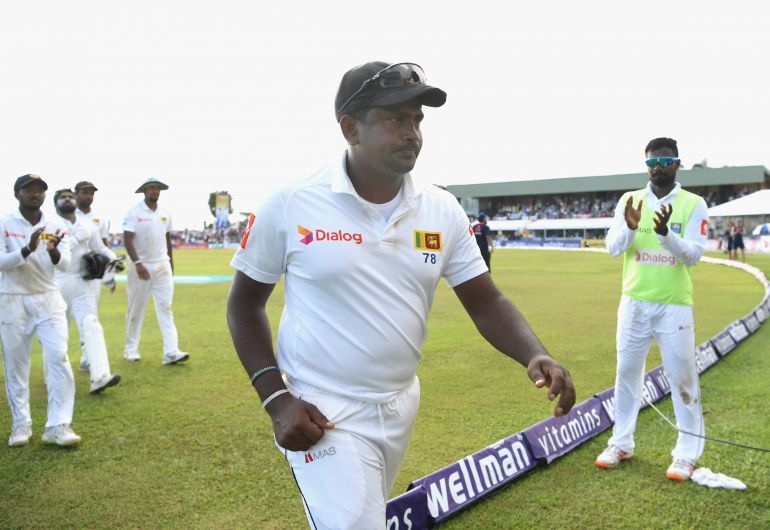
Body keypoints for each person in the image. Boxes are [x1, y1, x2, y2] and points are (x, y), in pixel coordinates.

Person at [227, 61, 576, 529]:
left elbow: (485, 300)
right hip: (323, 407)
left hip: (400, 402)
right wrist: (276, 398)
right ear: (350, 128)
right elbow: (244, 305)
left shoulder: (440, 208)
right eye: (395, 119)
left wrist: (534, 353)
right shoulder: (291, 204)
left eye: (417, 120)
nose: (412, 133)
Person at [596, 137, 708, 481]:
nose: (659, 168)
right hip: (634, 302)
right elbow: (613, 248)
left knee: (683, 378)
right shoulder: (629, 200)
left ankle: (686, 454)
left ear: (677, 163)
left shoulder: (694, 204)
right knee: (626, 374)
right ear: (646, 165)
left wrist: (664, 236)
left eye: (666, 161)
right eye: (653, 163)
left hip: (674, 305)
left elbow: (694, 254)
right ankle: (621, 443)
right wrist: (630, 228)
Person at [0, 174, 81, 447]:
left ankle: (58, 425)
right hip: (13, 299)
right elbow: (1, 262)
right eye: (29, 190)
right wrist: (27, 249)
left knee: (58, 357)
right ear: (17, 194)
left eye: (39, 190)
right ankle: (21, 424)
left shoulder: (55, 225)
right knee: (16, 365)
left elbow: (65, 264)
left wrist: (53, 251)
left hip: (48, 298)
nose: (35, 194)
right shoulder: (4, 222)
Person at [53, 189, 122, 394]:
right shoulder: (49, 224)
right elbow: (52, 254)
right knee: (57, 331)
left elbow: (100, 248)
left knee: (91, 324)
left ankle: (100, 376)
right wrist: (75, 239)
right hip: (57, 282)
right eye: (63, 197)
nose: (67, 199)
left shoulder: (87, 225)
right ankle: (55, 377)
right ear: (55, 203)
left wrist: (113, 260)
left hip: (83, 281)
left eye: (70, 196)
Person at [121, 178, 189, 365]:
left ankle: (171, 352)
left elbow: (167, 240)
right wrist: (137, 263)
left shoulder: (165, 213)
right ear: (144, 191)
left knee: (166, 308)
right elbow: (127, 239)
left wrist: (170, 263)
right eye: (151, 188)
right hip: (140, 266)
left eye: (157, 188)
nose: (155, 191)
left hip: (162, 266)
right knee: (136, 309)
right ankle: (130, 349)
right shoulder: (134, 212)